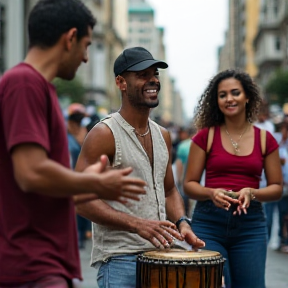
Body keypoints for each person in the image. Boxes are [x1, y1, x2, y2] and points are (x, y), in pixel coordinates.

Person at [0, 1, 146, 287]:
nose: (86, 58)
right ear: (69, 39)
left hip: (44, 264)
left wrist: (84, 181)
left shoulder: (38, 87)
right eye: (86, 45)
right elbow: (30, 173)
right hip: (30, 264)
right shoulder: (24, 83)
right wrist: (92, 184)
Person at [74, 46, 205, 288]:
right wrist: (137, 224)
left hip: (162, 257)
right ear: (121, 82)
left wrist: (182, 222)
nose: (153, 80)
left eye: (155, 73)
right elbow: (81, 199)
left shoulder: (163, 135)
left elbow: (168, 190)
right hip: (120, 261)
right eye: (143, 75)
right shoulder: (104, 133)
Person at [184, 69, 282, 288]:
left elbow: (276, 187)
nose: (229, 99)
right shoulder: (205, 137)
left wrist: (252, 192)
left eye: (235, 93)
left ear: (247, 97)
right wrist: (211, 192)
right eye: (222, 95)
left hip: (251, 225)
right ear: (216, 101)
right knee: (212, 284)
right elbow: (189, 185)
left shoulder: (265, 139)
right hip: (209, 223)